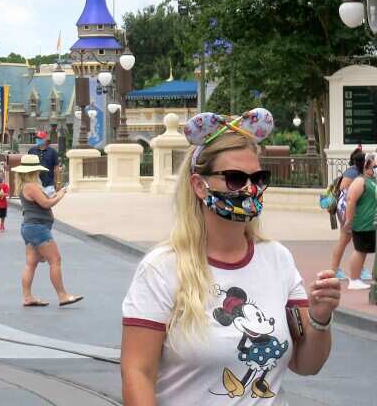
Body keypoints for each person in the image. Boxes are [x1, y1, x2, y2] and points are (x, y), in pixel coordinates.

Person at [121, 110, 340, 404]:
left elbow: (307, 364)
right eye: (235, 179)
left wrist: (320, 318)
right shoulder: (161, 269)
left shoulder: (278, 259)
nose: (250, 189)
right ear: (199, 185)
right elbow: (138, 371)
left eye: (258, 178)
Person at [15, 155, 81, 307]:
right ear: (33, 172)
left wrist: (55, 194)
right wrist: (61, 195)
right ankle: (62, 295)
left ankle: (28, 297)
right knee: (55, 260)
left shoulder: (24, 186)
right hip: (38, 227)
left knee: (30, 263)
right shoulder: (31, 186)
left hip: (29, 227)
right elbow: (46, 204)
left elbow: (41, 202)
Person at [341, 153, 376, 289]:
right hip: (362, 223)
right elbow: (351, 200)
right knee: (360, 250)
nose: (375, 169)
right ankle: (354, 279)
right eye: (374, 167)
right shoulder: (360, 181)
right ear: (366, 166)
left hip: (371, 224)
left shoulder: (372, 181)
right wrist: (349, 221)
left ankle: (357, 277)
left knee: (364, 250)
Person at [329, 153, 364, 278]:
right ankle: (335, 269)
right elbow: (345, 192)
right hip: (347, 210)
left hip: (348, 210)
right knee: (345, 239)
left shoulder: (354, 171)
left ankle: (358, 268)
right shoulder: (353, 173)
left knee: (354, 239)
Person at [27, 131, 60, 197]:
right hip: (35, 183)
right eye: (37, 138)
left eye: (40, 138)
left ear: (45, 139)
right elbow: (28, 167)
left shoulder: (52, 151)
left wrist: (58, 182)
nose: (38, 140)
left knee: (50, 201)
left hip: (49, 183)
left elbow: (56, 167)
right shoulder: (31, 151)